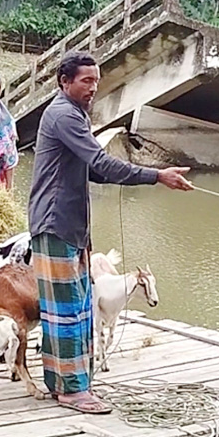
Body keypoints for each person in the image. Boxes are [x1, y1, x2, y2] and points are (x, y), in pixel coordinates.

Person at [28, 51, 194, 414]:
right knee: (69, 311)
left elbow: (96, 171)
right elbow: (102, 162)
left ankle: (63, 383)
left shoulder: (74, 115)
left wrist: (153, 176)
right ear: (64, 81)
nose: (93, 87)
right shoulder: (62, 115)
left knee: (71, 307)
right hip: (56, 222)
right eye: (86, 80)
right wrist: (156, 176)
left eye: (96, 80)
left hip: (69, 225)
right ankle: (72, 390)